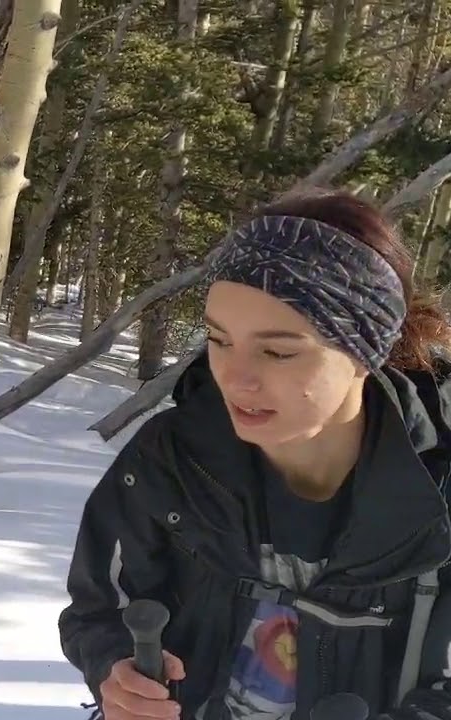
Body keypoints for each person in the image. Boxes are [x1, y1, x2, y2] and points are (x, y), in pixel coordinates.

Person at [57, 189, 451, 720]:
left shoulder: (439, 491)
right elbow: (100, 608)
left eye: (278, 351)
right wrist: (117, 670)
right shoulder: (173, 456)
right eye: (219, 340)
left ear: (365, 352)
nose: (235, 379)